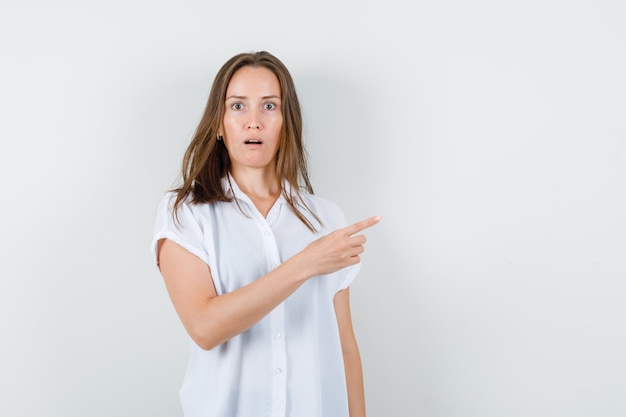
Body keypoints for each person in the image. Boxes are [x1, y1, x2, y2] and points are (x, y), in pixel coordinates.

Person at [151, 51, 380, 417]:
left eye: (269, 106)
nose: (253, 122)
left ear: (286, 122)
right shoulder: (185, 212)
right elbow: (205, 327)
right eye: (238, 106)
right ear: (218, 124)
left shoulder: (326, 218)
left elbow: (345, 347)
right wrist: (305, 264)